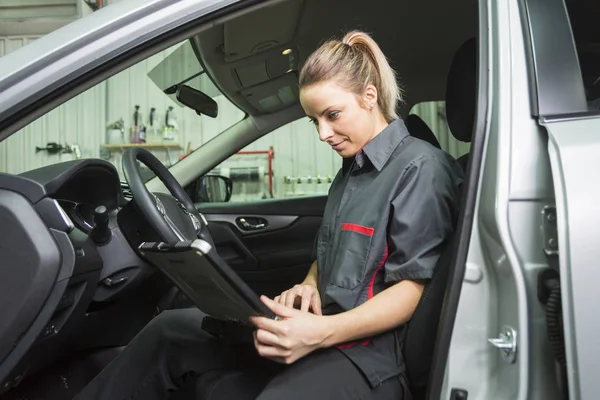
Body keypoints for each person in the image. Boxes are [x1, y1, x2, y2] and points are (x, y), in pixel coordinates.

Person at [75, 30, 463, 400]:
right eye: (315, 120)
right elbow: (330, 252)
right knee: (170, 330)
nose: (323, 133)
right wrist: (310, 285)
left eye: (332, 114)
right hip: (321, 328)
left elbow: (414, 288)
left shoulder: (422, 168)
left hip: (368, 357)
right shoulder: (351, 172)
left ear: (369, 96)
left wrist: (322, 332)